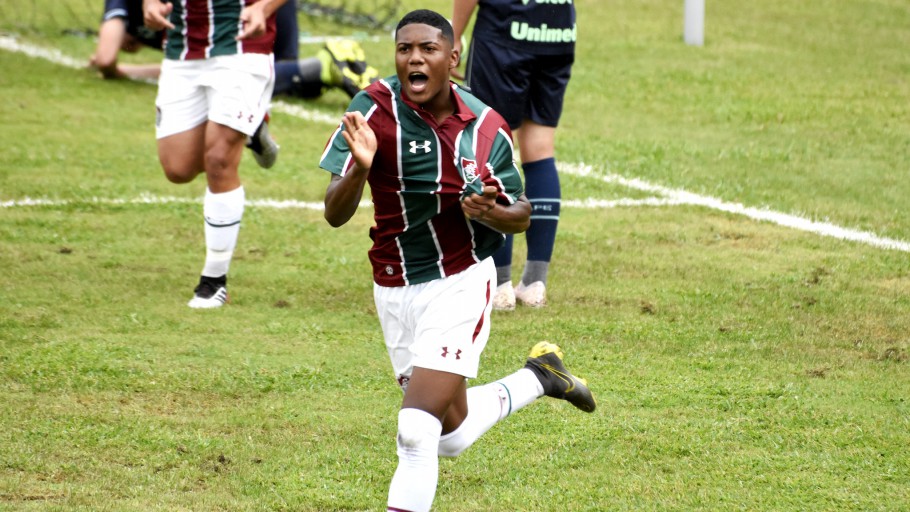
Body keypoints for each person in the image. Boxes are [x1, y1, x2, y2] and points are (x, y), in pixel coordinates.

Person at [320, 9, 595, 511]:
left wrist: (492, 211)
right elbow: (334, 214)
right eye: (405, 49)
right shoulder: (372, 109)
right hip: (393, 285)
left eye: (428, 49)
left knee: (415, 432)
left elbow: (521, 213)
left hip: (459, 280)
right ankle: (539, 376)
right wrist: (358, 170)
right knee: (450, 435)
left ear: (453, 57)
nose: (415, 59)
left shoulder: (486, 127)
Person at [142, 0, 289, 308]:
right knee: (178, 169)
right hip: (183, 44)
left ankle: (213, 282)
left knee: (219, 159)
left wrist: (263, 8)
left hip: (242, 42)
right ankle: (252, 124)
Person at [452, 0, 577, 310]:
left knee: (490, 147)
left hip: (505, 33)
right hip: (557, 30)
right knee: (540, 146)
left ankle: (499, 284)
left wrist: (454, 35)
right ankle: (535, 283)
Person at [91, 0, 378, 98]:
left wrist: (121, 70)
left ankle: (325, 65)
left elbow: (104, 58)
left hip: (254, 14)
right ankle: (320, 69)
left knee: (229, 78)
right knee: (270, 77)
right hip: (257, 17)